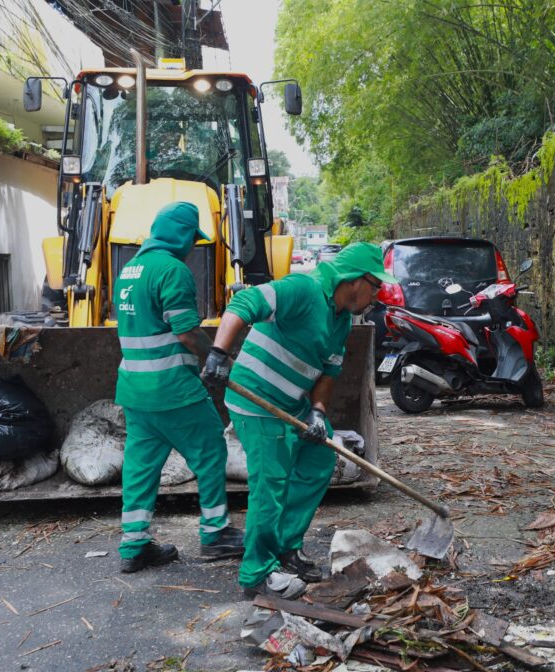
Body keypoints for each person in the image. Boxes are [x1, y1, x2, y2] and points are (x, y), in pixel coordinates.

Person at [202, 243, 398, 598]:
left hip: (292, 404)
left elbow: (329, 371)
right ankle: (256, 573)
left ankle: (285, 547)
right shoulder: (302, 288)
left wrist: (318, 412)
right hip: (256, 400)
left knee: (319, 459)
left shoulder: (341, 318)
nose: (377, 295)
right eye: (376, 285)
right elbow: (243, 304)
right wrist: (218, 354)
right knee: (271, 484)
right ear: (354, 280)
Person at [114, 201, 244, 573]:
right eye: (192, 239)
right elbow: (186, 331)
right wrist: (216, 356)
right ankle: (216, 533)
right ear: (183, 236)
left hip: (135, 391)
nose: (193, 247)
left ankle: (134, 544)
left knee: (140, 466)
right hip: (173, 390)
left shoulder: (130, 269)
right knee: (210, 452)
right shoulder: (172, 270)